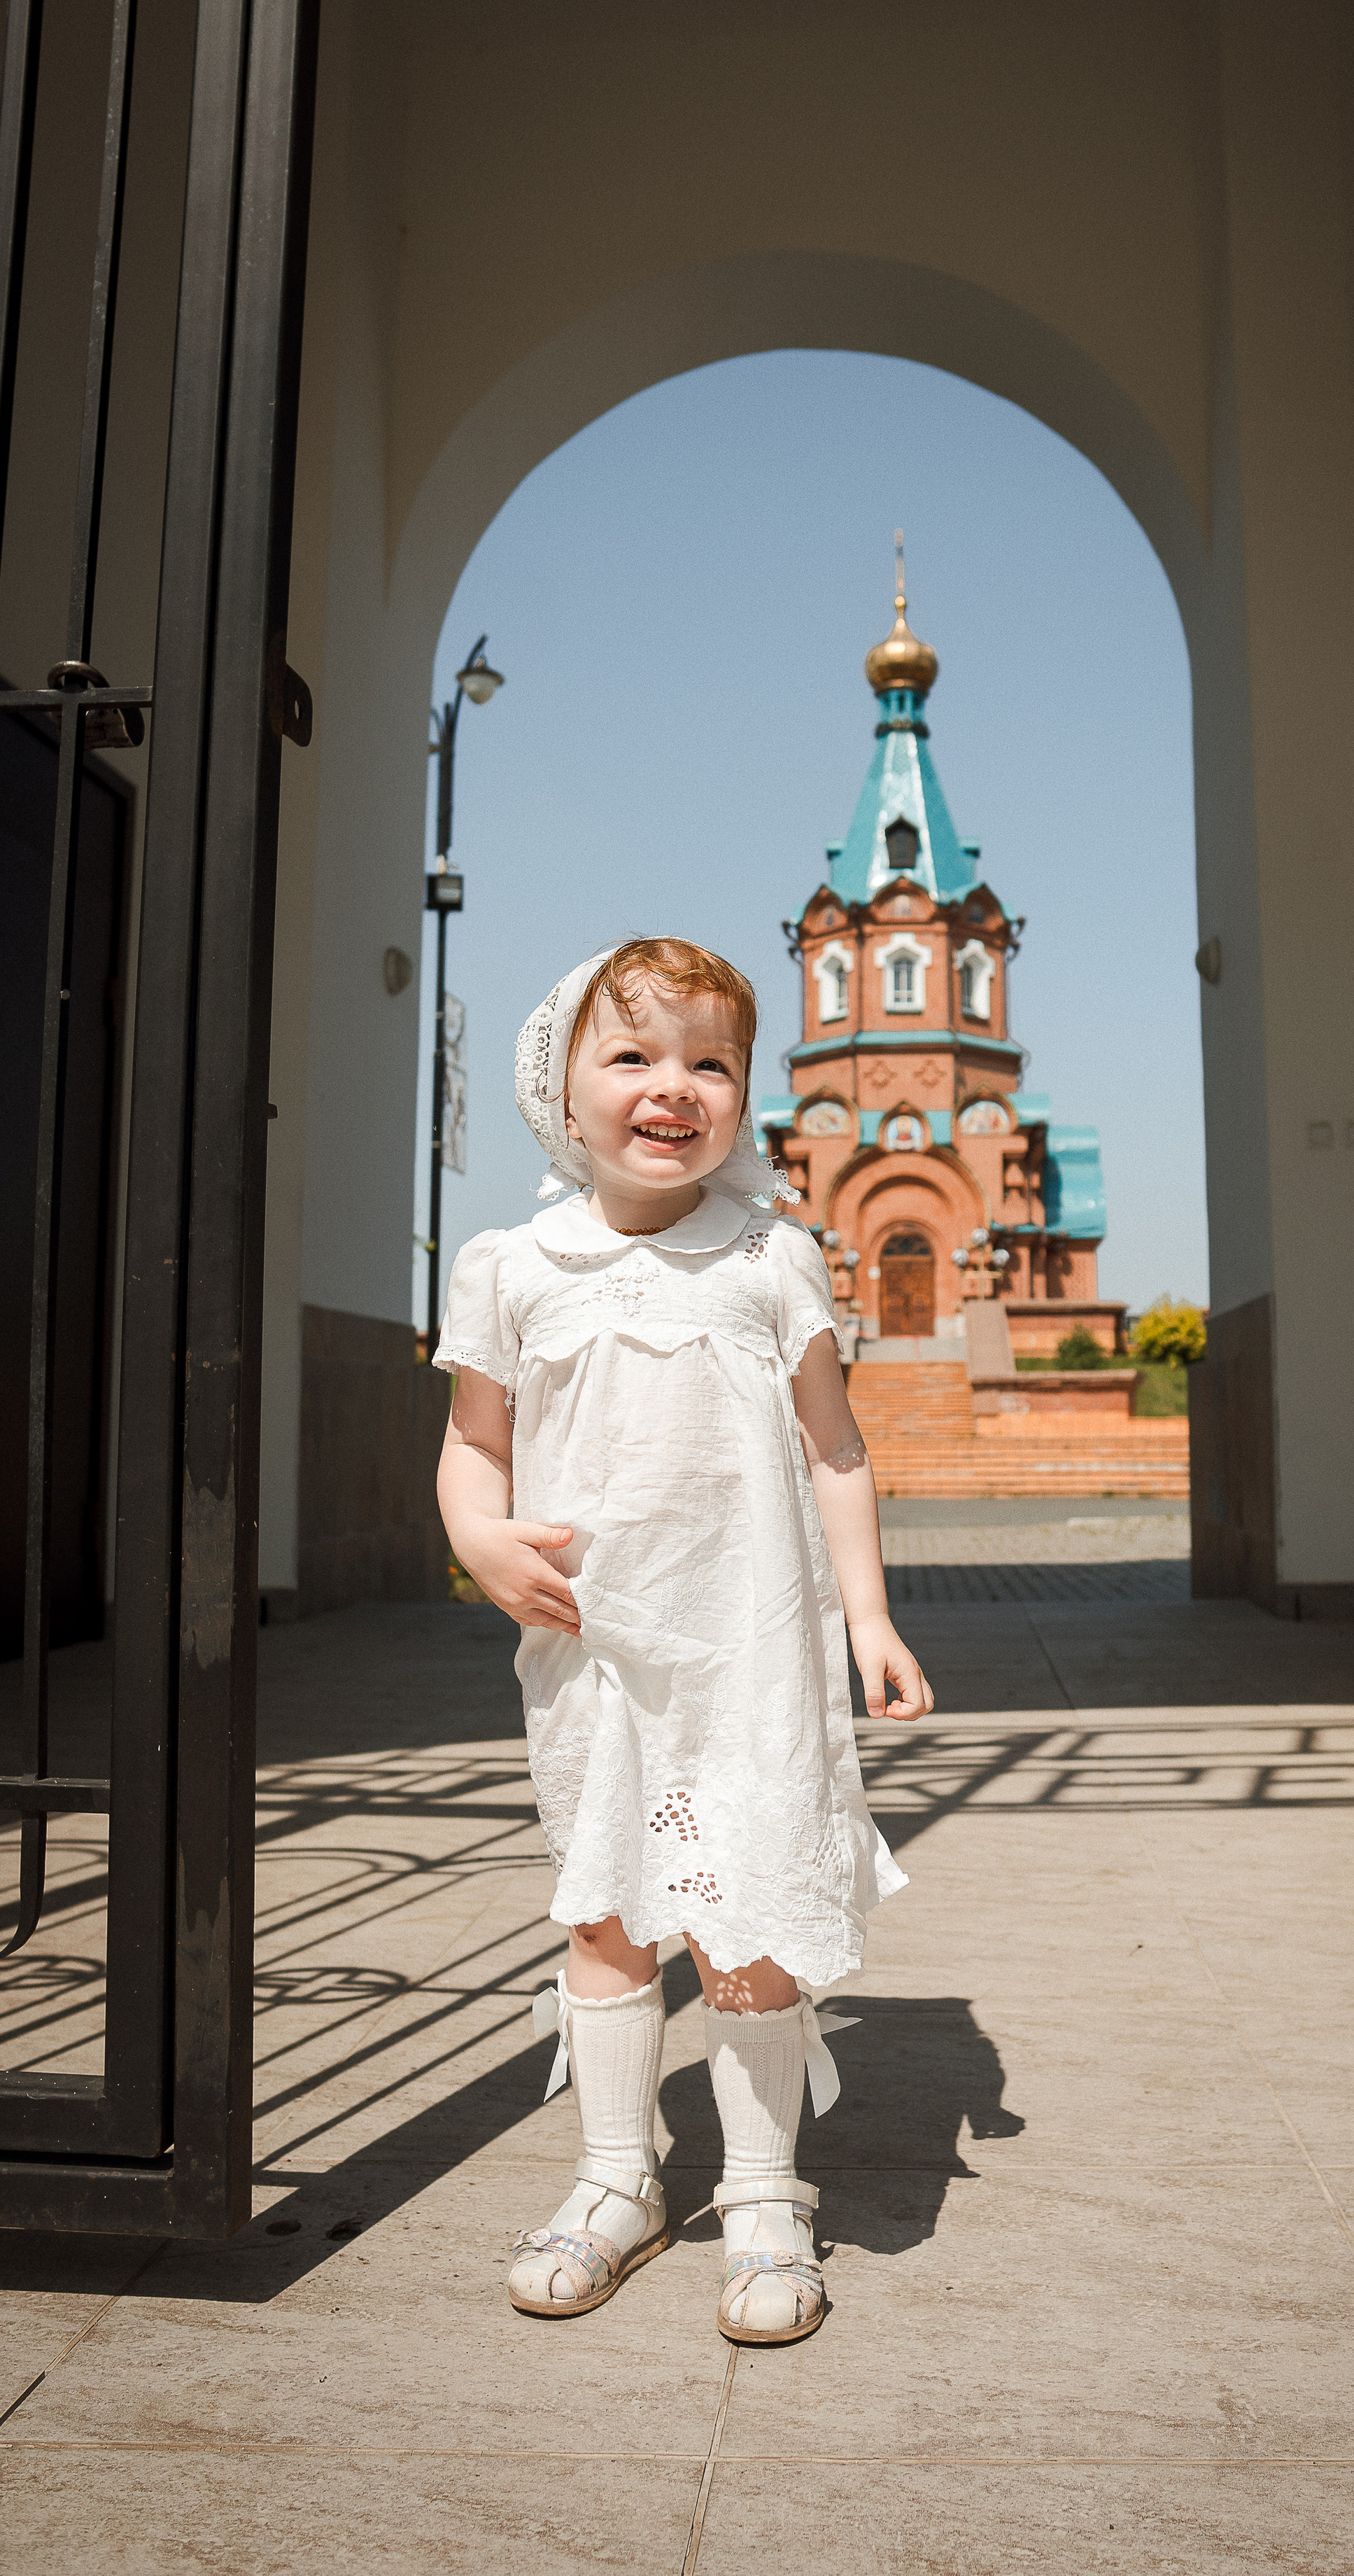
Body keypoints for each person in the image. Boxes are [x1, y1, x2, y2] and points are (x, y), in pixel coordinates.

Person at [434, 937, 931, 2345]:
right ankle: (616, 2180)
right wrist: (478, 1540)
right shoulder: (510, 1267)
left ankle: (766, 2193)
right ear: (565, 1090)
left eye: (710, 1061)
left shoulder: (772, 1256)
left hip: (752, 1653)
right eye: (634, 1056)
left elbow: (833, 1451)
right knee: (607, 1918)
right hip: (595, 1656)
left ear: (744, 1090)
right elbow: (473, 1451)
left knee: (747, 1914)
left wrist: (868, 1618)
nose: (674, 1088)